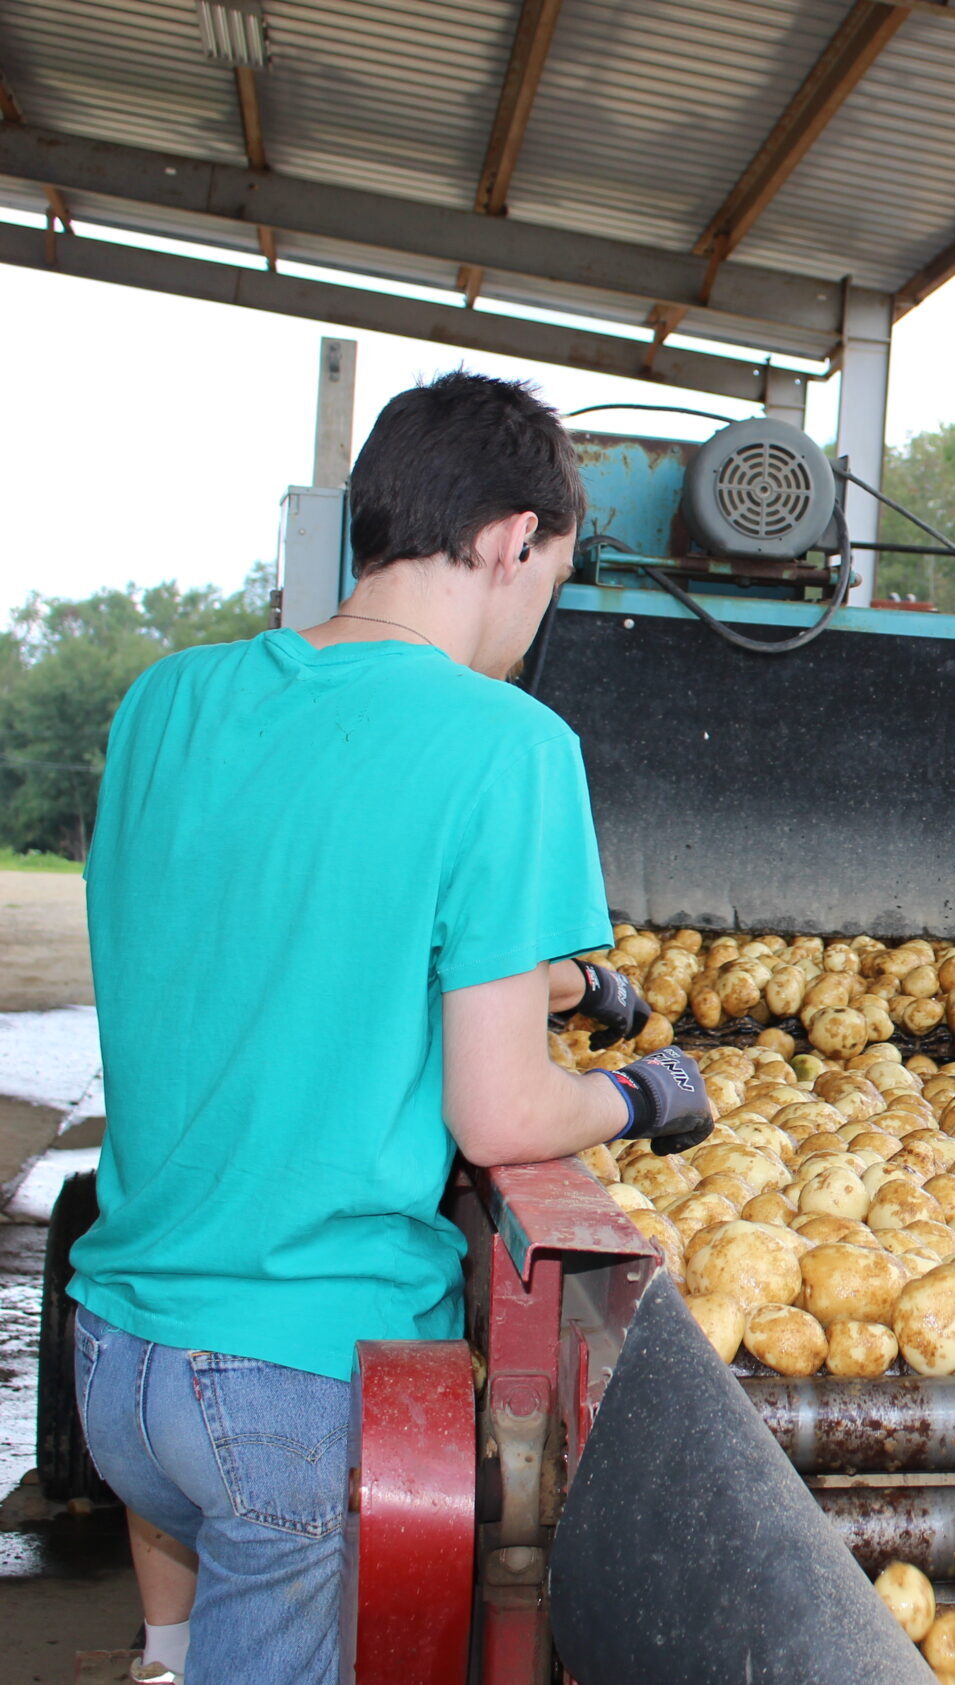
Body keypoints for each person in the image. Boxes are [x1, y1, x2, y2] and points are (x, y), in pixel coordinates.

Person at [69, 371, 714, 1685]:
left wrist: (567, 990)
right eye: (553, 578)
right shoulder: (505, 746)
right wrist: (646, 1092)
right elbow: (502, 1115)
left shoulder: (166, 705)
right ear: (506, 541)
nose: (542, 615)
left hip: (119, 1359)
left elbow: (290, 946)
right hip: (288, 1376)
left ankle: (163, 1659)